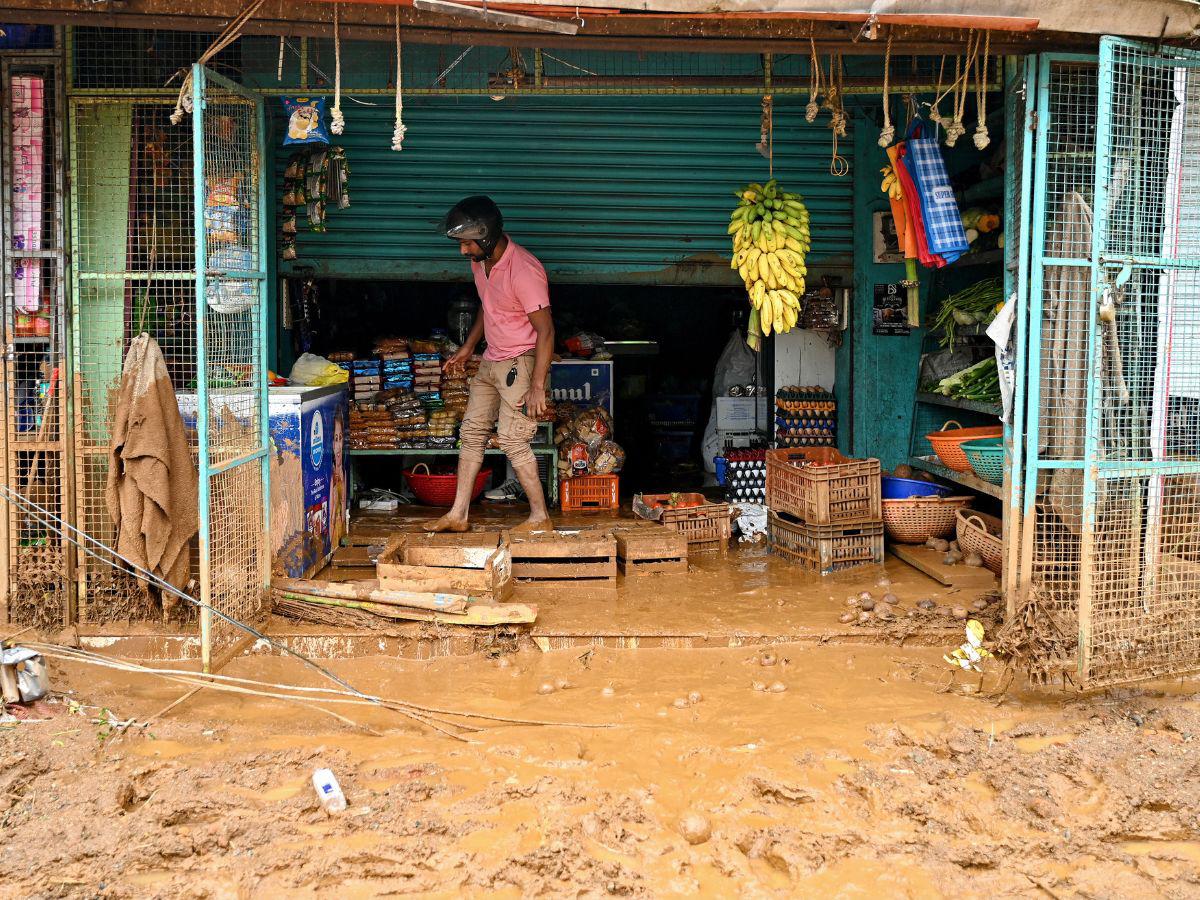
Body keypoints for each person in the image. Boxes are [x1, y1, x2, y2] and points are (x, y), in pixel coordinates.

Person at [427, 196, 555, 532]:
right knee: (471, 434)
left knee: (513, 440)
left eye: (467, 243)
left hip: (521, 362)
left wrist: (538, 386)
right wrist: (469, 347)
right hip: (491, 359)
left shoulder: (524, 270)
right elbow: (490, 303)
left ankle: (540, 517)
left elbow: (546, 330)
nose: (462, 251)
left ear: (485, 237)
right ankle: (458, 515)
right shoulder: (481, 263)